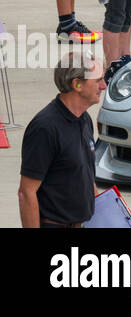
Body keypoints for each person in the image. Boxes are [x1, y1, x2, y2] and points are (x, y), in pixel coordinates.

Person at [18, 46, 104, 228]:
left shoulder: (84, 119)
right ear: (77, 85)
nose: (103, 86)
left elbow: (85, 173)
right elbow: (26, 192)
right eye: (98, 80)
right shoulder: (45, 128)